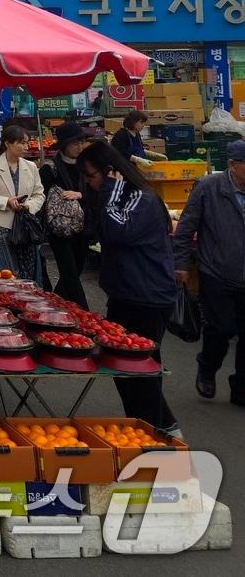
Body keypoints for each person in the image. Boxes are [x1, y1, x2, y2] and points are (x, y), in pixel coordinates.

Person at [78, 140, 180, 435]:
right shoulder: (120, 197)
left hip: (146, 297)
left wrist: (109, 189)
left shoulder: (140, 198)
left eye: (91, 175)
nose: (88, 182)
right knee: (126, 369)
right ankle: (156, 428)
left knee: (138, 371)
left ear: (110, 172)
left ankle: (159, 434)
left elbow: (116, 231)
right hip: (126, 294)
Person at [172, 138, 245, 404]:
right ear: (232, 165)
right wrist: (180, 264)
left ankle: (240, 389)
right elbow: (186, 228)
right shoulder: (208, 187)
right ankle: (207, 366)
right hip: (216, 271)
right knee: (222, 328)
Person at [0, 124, 46, 281]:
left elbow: (39, 194)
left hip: (26, 228)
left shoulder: (31, 167)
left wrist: (28, 206)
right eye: (21, 143)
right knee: (5, 276)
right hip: (0, 228)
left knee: (28, 276)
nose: (26, 147)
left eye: (27, 142)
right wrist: (5, 202)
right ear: (7, 144)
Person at [40, 121, 96, 308]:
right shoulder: (50, 168)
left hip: (84, 228)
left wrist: (81, 194)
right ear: (64, 145)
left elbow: (99, 193)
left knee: (75, 270)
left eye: (82, 142)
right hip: (59, 230)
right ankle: (86, 314)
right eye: (75, 143)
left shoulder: (88, 167)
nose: (80, 147)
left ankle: (53, 305)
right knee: (69, 273)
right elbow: (40, 197)